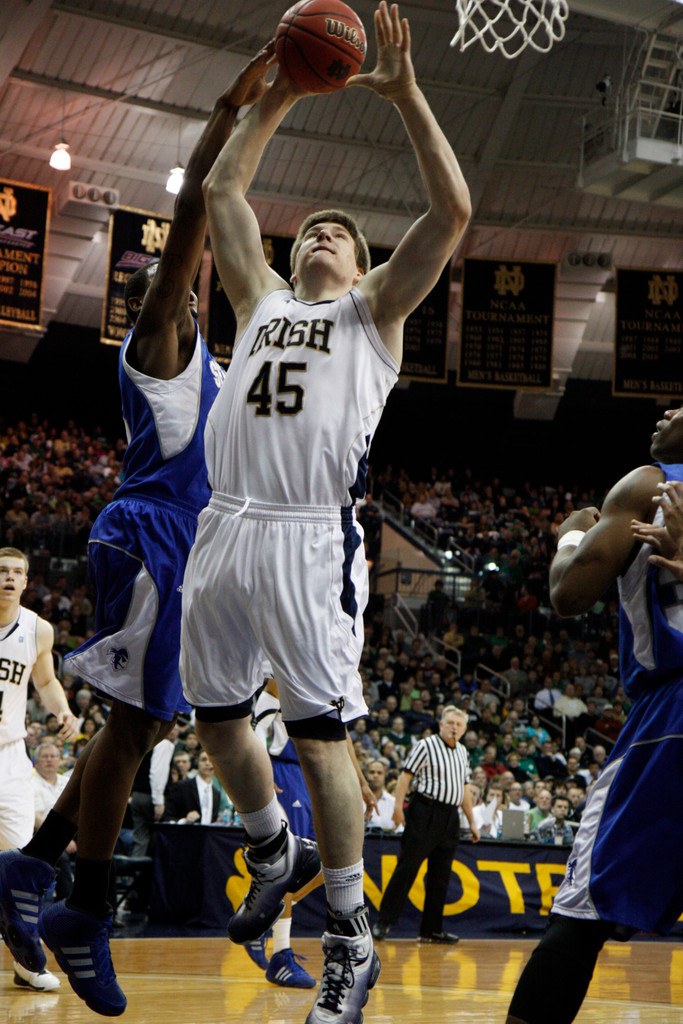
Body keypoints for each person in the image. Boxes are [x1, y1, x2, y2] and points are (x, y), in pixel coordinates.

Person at [180, 5, 470, 1023]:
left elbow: (450, 217)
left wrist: (405, 97)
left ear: (359, 267)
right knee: (214, 713)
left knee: (319, 738)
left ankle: (349, 933)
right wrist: (279, 97)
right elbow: (222, 186)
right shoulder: (257, 300)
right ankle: (272, 848)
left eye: (338, 235)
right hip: (223, 522)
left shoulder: (372, 315)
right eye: (309, 229)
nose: (320, 236)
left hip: (309, 533)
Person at [0, 55, 274, 1019]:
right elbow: (200, 213)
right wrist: (234, 112)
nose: (196, 292)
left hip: (180, 547)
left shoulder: (209, 369)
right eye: (185, 285)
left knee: (143, 722)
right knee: (135, 723)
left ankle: (30, 871)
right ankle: (80, 909)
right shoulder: (157, 343)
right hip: (150, 535)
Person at [506, 407, 683, 1024]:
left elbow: (566, 595)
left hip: (672, 719)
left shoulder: (649, 486)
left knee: (582, 914)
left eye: (680, 406)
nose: (666, 412)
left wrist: (572, 535)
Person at [0, 548, 78, 992]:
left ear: (27, 582)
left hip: (10, 755)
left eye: (17, 573)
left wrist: (63, 711)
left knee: (20, 865)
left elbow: (46, 681)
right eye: (2, 571)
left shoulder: (37, 629)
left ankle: (27, 964)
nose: (9, 578)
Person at [371, 707, 479, 942]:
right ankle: (384, 921)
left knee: (441, 875)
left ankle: (431, 929)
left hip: (450, 816)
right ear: (441, 724)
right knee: (407, 867)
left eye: (459, 724)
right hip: (424, 811)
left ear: (465, 729)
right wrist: (399, 807)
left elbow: (464, 789)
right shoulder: (425, 745)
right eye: (450, 722)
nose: (454, 727)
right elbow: (405, 776)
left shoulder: (463, 752)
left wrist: (472, 821)